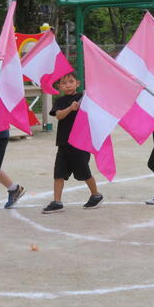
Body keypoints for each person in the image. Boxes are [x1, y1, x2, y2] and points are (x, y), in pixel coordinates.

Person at [42, 73, 103, 213]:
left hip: (81, 142)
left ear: (78, 83)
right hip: (64, 143)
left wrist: (88, 96)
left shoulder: (84, 97)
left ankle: (96, 195)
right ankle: (57, 202)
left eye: (71, 81)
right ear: (59, 87)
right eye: (64, 83)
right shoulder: (60, 101)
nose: (68, 85)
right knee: (58, 174)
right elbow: (58, 115)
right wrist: (71, 108)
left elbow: (96, 101)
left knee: (84, 172)